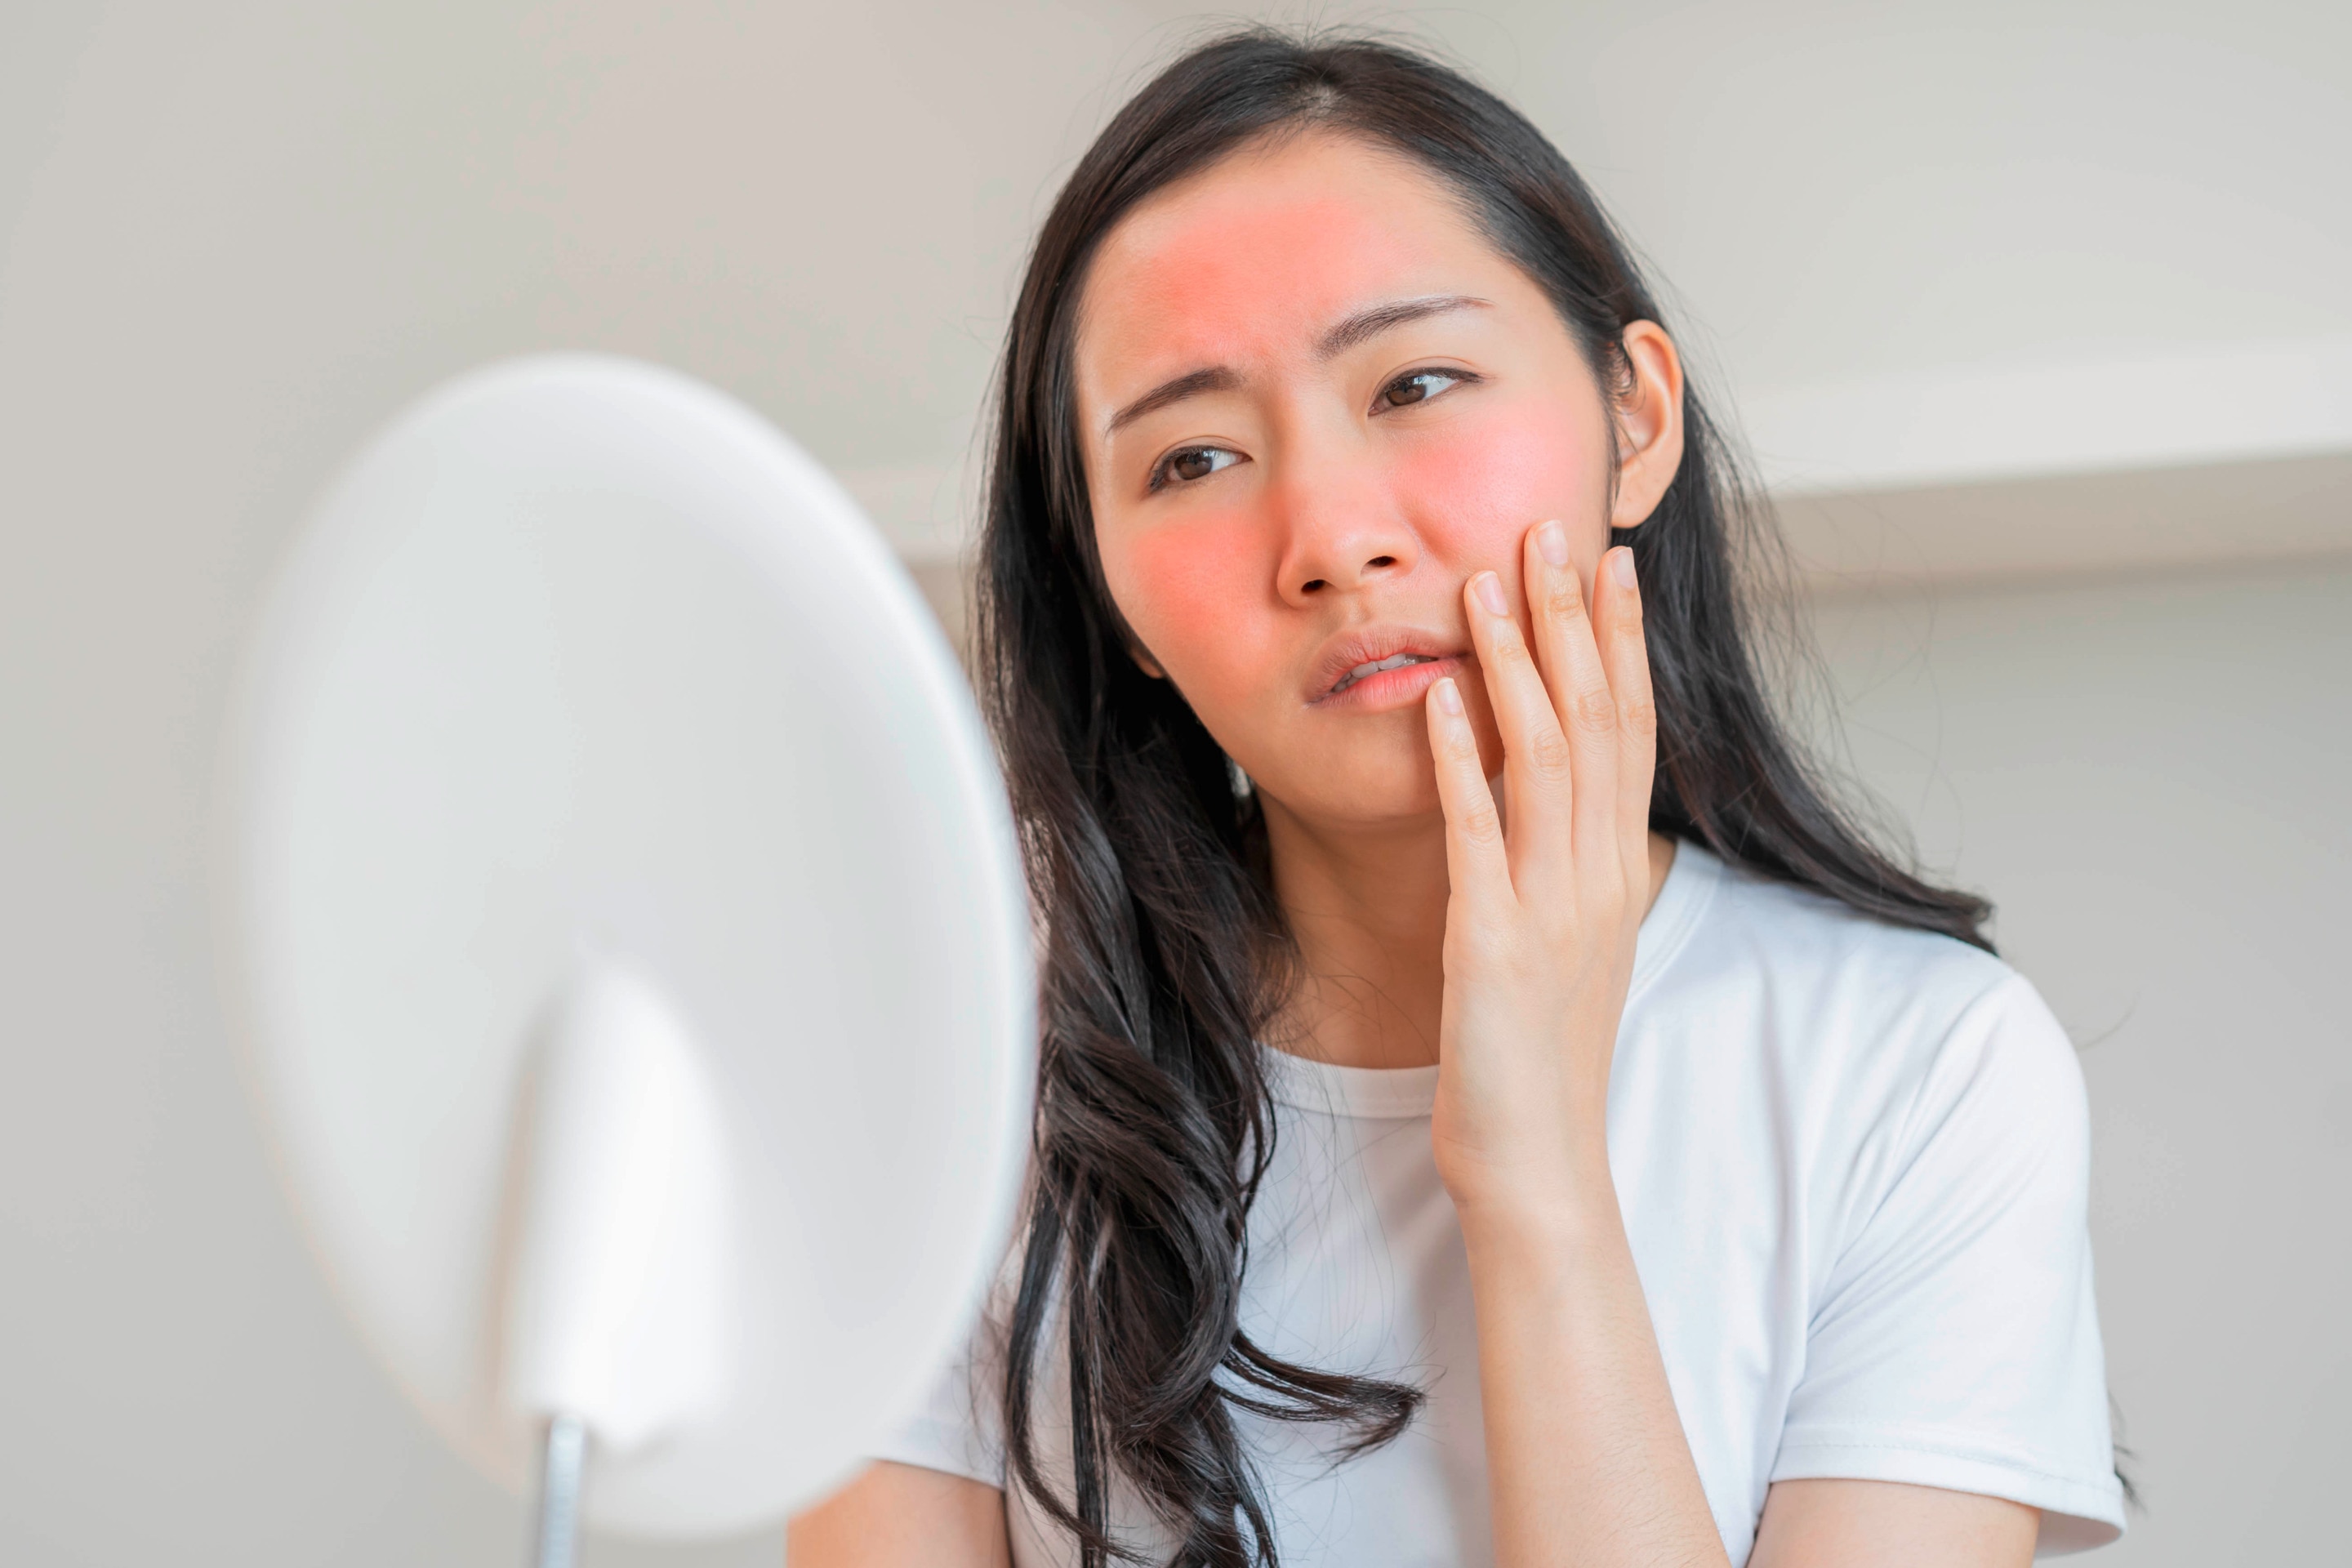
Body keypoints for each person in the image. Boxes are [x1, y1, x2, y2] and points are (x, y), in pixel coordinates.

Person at [791, 29, 2125, 1568]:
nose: (1331, 536)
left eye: (1417, 381)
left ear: (1634, 422)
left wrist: (1538, 1167)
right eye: (1193, 458)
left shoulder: (1919, 1073)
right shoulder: (962, 1049)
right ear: (1107, 595)